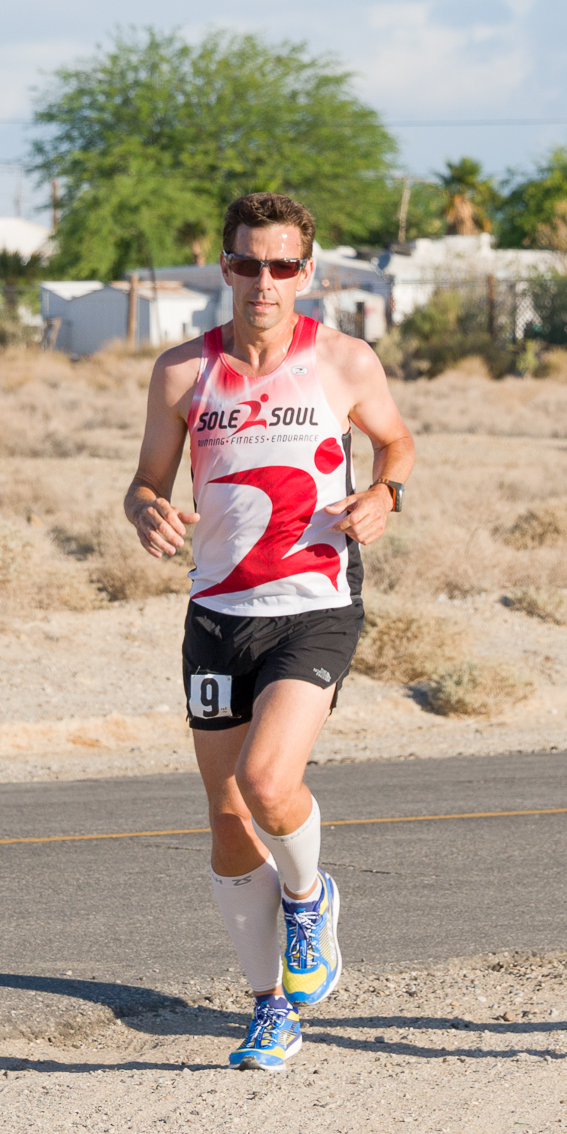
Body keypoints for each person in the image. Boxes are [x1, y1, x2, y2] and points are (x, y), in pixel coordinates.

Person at [125, 191, 416, 1071]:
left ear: (307, 272)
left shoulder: (343, 360)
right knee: (224, 817)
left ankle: (307, 894)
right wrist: (145, 511)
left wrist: (383, 494)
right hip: (216, 612)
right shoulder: (183, 372)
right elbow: (144, 480)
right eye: (247, 263)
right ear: (224, 267)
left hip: (314, 605)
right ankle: (269, 1007)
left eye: (281, 265)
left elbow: (395, 445)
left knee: (265, 779)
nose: (263, 281)